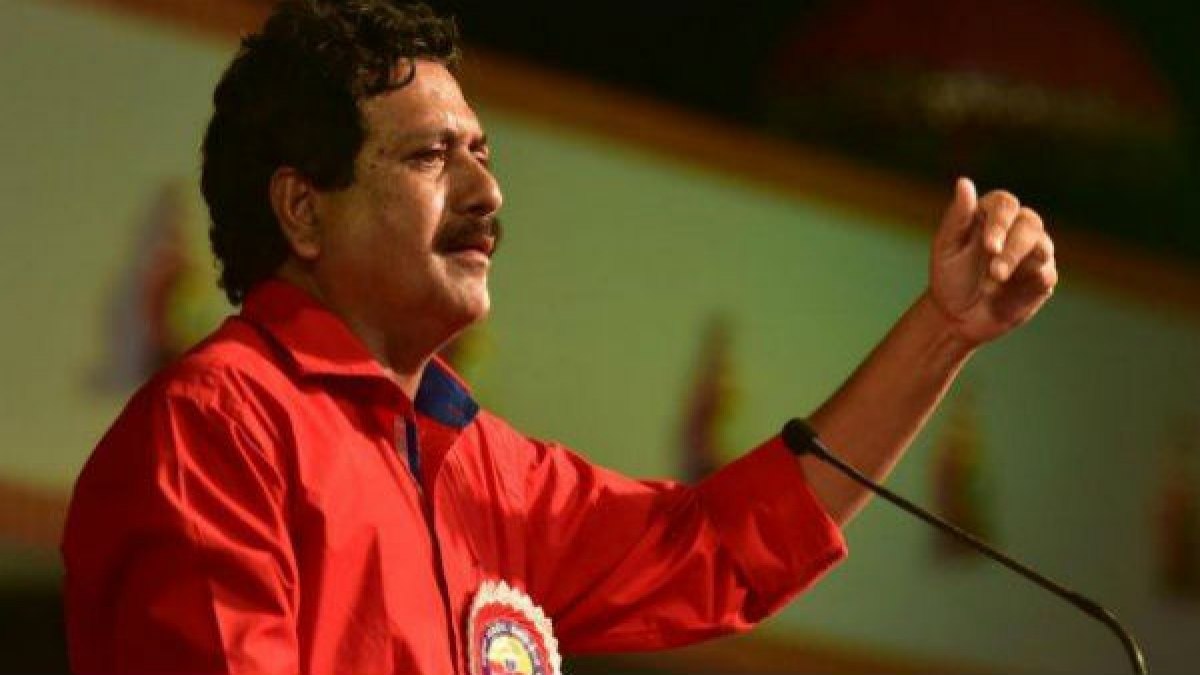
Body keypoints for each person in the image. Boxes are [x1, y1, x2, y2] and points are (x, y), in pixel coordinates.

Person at [60, 1, 1058, 674]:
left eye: (483, 154)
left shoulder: (484, 469)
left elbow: (721, 549)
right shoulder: (216, 430)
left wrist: (946, 330)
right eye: (431, 157)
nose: (488, 193)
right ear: (304, 210)